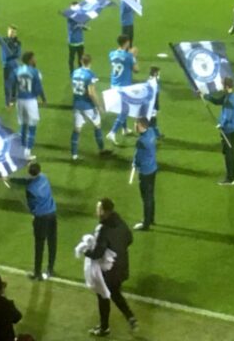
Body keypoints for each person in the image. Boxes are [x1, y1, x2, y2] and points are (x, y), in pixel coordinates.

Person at [86, 198, 137, 337]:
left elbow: (97, 253)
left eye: (98, 208)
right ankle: (130, 316)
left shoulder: (104, 229)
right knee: (114, 291)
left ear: (104, 211)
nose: (97, 211)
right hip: (122, 265)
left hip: (109, 269)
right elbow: (129, 238)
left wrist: (85, 251)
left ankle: (104, 328)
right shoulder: (120, 221)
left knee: (103, 296)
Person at [15, 163, 57, 280]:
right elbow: (25, 180)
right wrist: (11, 179)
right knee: (52, 242)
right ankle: (51, 269)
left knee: (39, 245)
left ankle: (37, 273)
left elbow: (31, 205)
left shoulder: (30, 189)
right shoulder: (44, 177)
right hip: (52, 214)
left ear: (29, 173)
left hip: (41, 218)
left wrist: (33, 213)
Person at [71, 54, 107, 160]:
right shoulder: (90, 75)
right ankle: (101, 149)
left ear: (81, 61)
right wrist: (99, 106)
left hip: (77, 104)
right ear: (90, 62)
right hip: (88, 106)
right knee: (97, 126)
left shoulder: (75, 72)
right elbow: (91, 93)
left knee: (77, 129)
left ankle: (74, 154)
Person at [12, 52, 46, 162]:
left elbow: (13, 85)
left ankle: (20, 150)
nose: (35, 60)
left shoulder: (17, 70)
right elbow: (39, 88)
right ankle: (27, 153)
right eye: (34, 58)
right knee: (32, 127)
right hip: (30, 101)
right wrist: (44, 99)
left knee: (23, 125)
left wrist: (12, 99)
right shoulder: (35, 71)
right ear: (30, 60)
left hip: (20, 100)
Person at [204, 77, 234, 185]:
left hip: (227, 130)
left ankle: (230, 178)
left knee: (229, 153)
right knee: (228, 152)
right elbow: (217, 101)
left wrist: (221, 125)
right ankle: (232, 176)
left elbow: (228, 114)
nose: (221, 87)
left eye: (222, 85)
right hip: (230, 128)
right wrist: (205, 96)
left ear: (226, 86)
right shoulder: (229, 96)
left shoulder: (229, 99)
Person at [107, 35, 139, 145]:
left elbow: (118, 54)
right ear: (127, 43)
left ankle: (125, 129)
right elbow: (136, 70)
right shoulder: (128, 57)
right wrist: (133, 56)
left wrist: (128, 53)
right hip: (123, 87)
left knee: (123, 108)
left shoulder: (111, 54)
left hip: (114, 85)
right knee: (125, 110)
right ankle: (112, 132)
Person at [132, 118, 158, 232]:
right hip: (153, 168)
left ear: (141, 126)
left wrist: (135, 164)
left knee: (146, 198)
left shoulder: (141, 141)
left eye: (136, 124)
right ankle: (151, 218)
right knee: (151, 195)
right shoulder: (151, 131)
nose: (134, 126)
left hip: (145, 172)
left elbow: (138, 157)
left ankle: (146, 224)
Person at [0, 25, 22, 108]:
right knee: (7, 85)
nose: (12, 33)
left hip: (15, 65)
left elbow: (19, 54)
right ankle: (7, 102)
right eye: (10, 31)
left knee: (15, 83)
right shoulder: (4, 41)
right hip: (7, 66)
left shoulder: (18, 43)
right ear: (8, 31)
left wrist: (13, 56)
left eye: (13, 32)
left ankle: (13, 98)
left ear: (15, 33)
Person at [66, 3, 89, 75]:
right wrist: (79, 24)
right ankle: (71, 72)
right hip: (73, 41)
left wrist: (85, 26)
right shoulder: (70, 18)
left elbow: (83, 26)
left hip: (80, 41)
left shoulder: (79, 16)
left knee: (81, 58)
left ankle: (80, 71)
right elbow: (72, 28)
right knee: (72, 58)